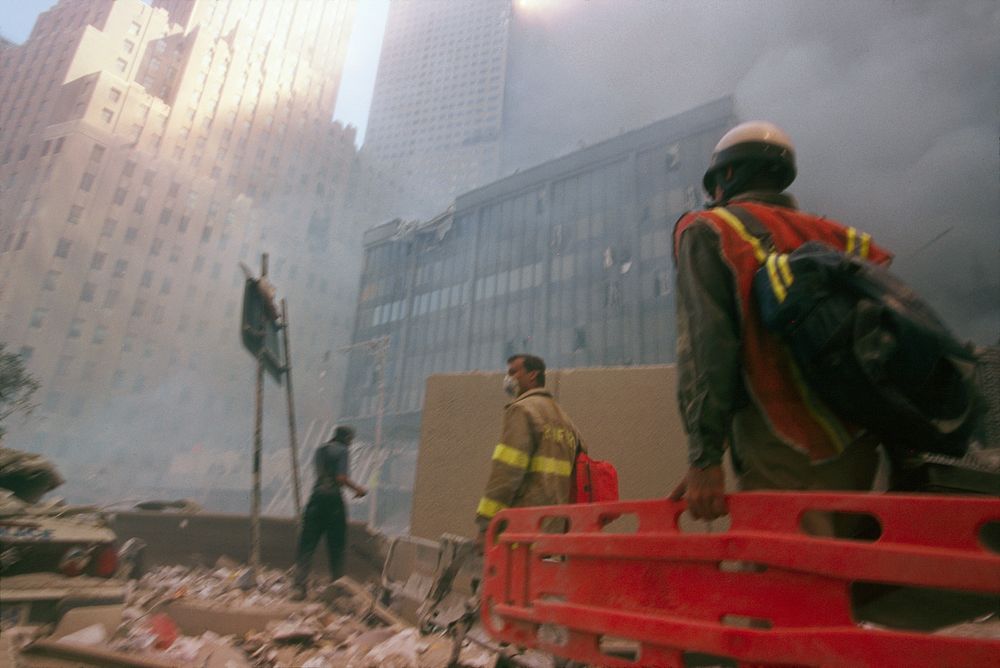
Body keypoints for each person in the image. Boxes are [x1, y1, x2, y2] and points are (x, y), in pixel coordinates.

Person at [669, 121, 893, 525]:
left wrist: (704, 457)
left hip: (780, 440)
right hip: (861, 446)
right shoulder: (838, 238)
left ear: (728, 175)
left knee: (784, 578)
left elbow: (707, 351)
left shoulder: (711, 231)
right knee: (848, 575)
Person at [475, 354, 581, 550]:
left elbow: (506, 472)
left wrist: (486, 525)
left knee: (513, 579)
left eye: (513, 372)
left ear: (533, 375)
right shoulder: (566, 421)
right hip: (554, 531)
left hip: (521, 531)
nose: (508, 378)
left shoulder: (522, 410)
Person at [292, 425, 367, 599]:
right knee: (336, 546)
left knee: (307, 545)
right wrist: (358, 489)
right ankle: (337, 587)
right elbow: (341, 478)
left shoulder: (320, 450)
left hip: (315, 499)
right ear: (347, 438)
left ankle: (299, 587)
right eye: (351, 440)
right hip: (333, 501)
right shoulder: (343, 451)